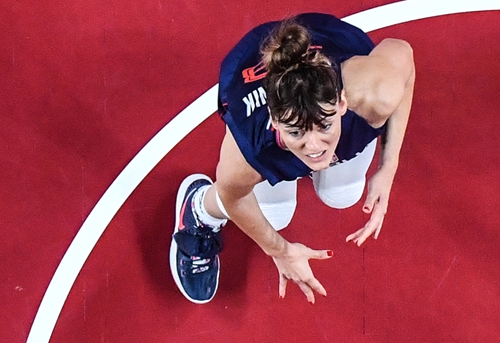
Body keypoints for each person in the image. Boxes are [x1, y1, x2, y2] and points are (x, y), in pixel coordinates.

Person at [172, 13, 415, 303]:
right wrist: (280, 250)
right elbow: (232, 194)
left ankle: (310, 145)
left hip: (333, 61)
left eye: (323, 125)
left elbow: (405, 57)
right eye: (297, 131)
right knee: (275, 216)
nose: (314, 146)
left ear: (341, 102)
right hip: (265, 114)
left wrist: (388, 166)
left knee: (341, 194)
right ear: (275, 120)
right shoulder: (251, 147)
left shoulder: (374, 93)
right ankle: (198, 209)